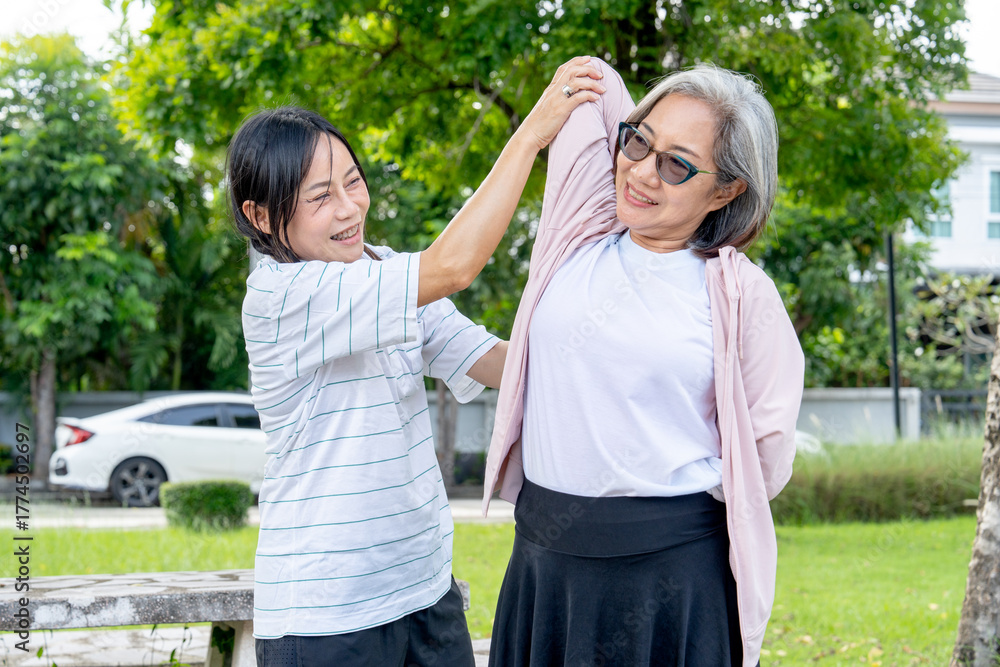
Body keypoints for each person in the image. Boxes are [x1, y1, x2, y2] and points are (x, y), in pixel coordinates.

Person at [227, 57, 606, 666]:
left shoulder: (383, 272)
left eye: (353, 181)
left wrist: (610, 356)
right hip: (327, 617)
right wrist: (531, 134)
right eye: (321, 196)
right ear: (262, 216)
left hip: (426, 594)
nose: (349, 208)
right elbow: (453, 266)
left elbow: (495, 362)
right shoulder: (282, 296)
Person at [482, 58, 805, 667]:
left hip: (670, 574)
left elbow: (765, 451)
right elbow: (595, 81)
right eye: (637, 142)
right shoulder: (574, 240)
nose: (641, 172)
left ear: (727, 189)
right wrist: (539, 125)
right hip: (546, 560)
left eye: (677, 165)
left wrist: (662, 509)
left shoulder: (742, 294)